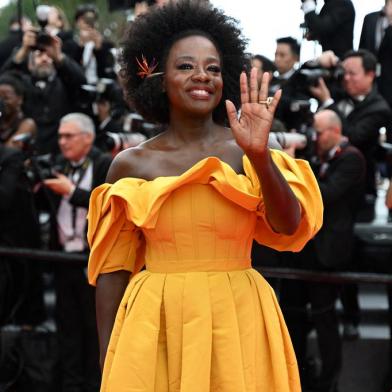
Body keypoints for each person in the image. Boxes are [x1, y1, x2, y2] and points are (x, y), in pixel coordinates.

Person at [87, 1, 323, 391]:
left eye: (213, 68)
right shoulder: (130, 164)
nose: (202, 76)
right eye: (186, 66)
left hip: (239, 319)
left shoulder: (250, 150)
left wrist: (261, 157)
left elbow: (288, 225)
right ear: (157, 77)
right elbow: (113, 271)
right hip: (155, 325)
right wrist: (108, 356)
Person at [280, 110, 366, 392]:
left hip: (329, 253)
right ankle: (300, 377)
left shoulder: (352, 158)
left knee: (325, 318)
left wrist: (293, 166)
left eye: (319, 132)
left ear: (334, 130)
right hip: (303, 249)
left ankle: (329, 383)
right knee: (293, 317)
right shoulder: (318, 157)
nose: (314, 138)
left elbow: (324, 194)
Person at [42, 113, 111, 391]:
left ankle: (97, 385)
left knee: (93, 330)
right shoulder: (58, 164)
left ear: (88, 137)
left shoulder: (105, 162)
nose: (62, 142)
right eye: (60, 136)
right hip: (62, 261)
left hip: (93, 261)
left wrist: (71, 192)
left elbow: (107, 203)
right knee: (67, 329)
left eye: (68, 136)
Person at [0, 73, 37, 148]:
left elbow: (8, 154)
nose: (1, 102)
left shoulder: (27, 124)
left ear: (20, 99)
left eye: (6, 98)